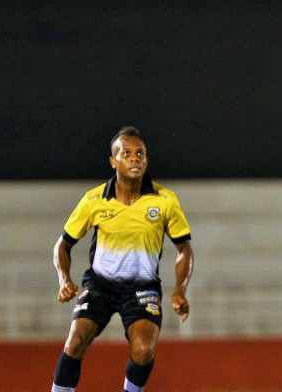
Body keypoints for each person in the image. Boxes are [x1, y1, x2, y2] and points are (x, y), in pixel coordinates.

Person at [50, 126, 194, 392]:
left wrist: (179, 290)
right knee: (75, 341)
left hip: (142, 287)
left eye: (140, 153)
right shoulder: (94, 200)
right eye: (126, 153)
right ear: (113, 161)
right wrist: (64, 279)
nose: (135, 158)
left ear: (147, 160)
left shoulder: (165, 201)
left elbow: (184, 248)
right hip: (100, 284)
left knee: (144, 350)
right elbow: (63, 244)